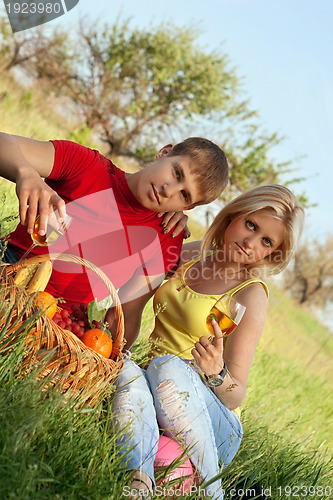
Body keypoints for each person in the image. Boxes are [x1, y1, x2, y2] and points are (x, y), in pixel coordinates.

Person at [111, 184, 304, 499]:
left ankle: (213, 491)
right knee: (126, 372)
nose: (250, 241)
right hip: (156, 391)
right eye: (250, 225)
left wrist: (215, 371)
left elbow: (235, 395)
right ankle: (138, 484)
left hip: (212, 422)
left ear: (273, 252)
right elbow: (132, 298)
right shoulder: (188, 253)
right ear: (233, 217)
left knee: (167, 365)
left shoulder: (249, 294)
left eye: (266, 241)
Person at [0, 132, 229, 346]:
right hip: (9, 269)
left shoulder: (166, 238)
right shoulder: (87, 166)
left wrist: (114, 359)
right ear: (164, 152)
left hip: (58, 322)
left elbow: (127, 313)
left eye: (184, 194)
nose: (169, 190)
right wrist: (26, 173)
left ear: (186, 207)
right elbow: (5, 142)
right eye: (176, 173)